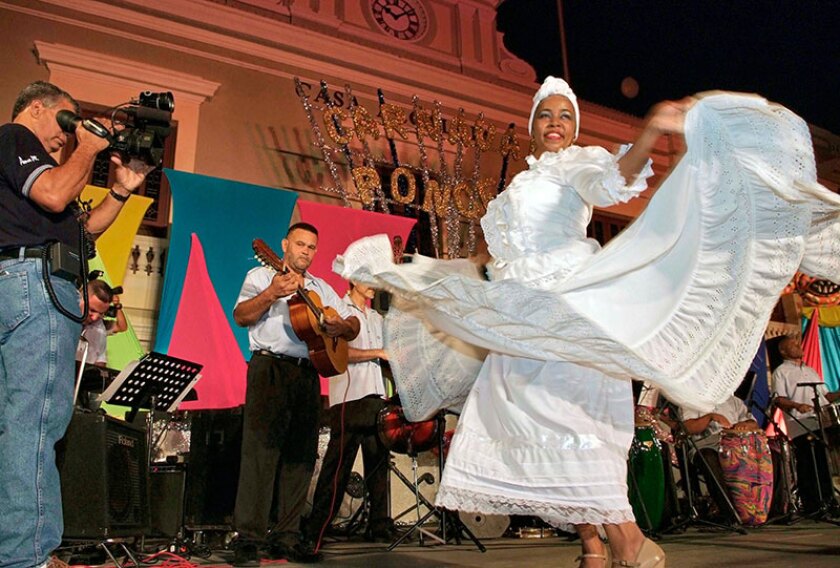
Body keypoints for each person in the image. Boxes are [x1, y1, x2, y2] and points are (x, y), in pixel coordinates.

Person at [335, 76, 840, 568]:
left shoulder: (576, 165)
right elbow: (488, 256)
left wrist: (651, 131)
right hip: (518, 311)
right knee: (523, 416)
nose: (556, 124)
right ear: (532, 124)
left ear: (575, 128)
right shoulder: (517, 185)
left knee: (570, 421)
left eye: (566, 116)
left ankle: (628, 539)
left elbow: (616, 179)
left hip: (568, 303)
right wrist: (440, 280)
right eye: (546, 115)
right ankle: (595, 547)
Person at [0, 81, 153, 568]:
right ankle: (29, 557)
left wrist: (121, 192)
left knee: (16, 426)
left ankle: (16, 548)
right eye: (66, 122)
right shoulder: (14, 136)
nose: (65, 138)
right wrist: (88, 144)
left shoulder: (32, 180)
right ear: (38, 108)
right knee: (35, 424)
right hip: (32, 287)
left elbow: (80, 230)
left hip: (21, 280)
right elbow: (51, 193)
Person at [231, 222, 360, 566]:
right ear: (284, 245)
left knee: (301, 459)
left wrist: (339, 326)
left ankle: (287, 537)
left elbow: (354, 324)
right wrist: (272, 293)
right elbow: (241, 316)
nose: (305, 251)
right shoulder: (261, 276)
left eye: (311, 247)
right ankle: (248, 538)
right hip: (269, 369)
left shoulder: (321, 288)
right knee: (259, 454)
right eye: (300, 244)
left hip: (307, 374)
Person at [302, 280, 394, 552]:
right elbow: (343, 353)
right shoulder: (339, 310)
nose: (374, 287)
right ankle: (317, 526)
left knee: (378, 463)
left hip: (376, 395)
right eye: (369, 281)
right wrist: (377, 353)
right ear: (354, 280)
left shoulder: (376, 317)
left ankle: (378, 524)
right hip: (351, 397)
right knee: (338, 464)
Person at [772, 335, 839, 511]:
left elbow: (826, 396)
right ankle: (813, 506)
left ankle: (829, 502)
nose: (798, 345)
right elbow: (779, 399)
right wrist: (796, 405)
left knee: (824, 463)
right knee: (809, 464)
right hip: (800, 424)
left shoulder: (811, 370)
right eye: (793, 344)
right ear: (783, 351)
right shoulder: (780, 372)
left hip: (820, 423)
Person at [681, 394, 759, 522]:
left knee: (774, 453)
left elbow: (753, 423)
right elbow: (687, 428)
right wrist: (710, 417)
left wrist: (743, 424)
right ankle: (729, 513)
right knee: (708, 458)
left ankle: (771, 509)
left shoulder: (733, 400)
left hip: (736, 446)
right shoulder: (691, 399)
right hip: (706, 445)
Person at [76, 277, 128, 368]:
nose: (95, 317)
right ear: (80, 299)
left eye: (101, 313)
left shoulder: (100, 328)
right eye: (92, 310)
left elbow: (100, 359)